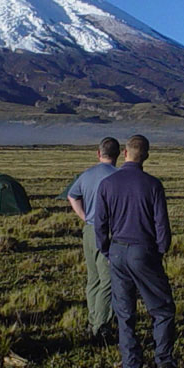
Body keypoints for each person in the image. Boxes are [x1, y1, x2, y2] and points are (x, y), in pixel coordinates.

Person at [95, 134, 184, 368]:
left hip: (118, 251)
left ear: (125, 153)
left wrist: (107, 251)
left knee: (125, 314)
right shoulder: (153, 185)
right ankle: (164, 366)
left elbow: (100, 225)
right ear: (146, 155)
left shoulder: (108, 184)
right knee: (162, 309)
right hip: (143, 251)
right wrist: (160, 251)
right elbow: (162, 227)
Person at [67, 137, 120, 343]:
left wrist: (84, 216)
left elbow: (72, 196)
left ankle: (93, 319)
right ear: (118, 154)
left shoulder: (87, 174)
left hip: (89, 230)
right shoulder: (119, 176)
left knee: (94, 278)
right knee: (108, 279)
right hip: (108, 231)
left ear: (98, 154)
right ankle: (101, 326)